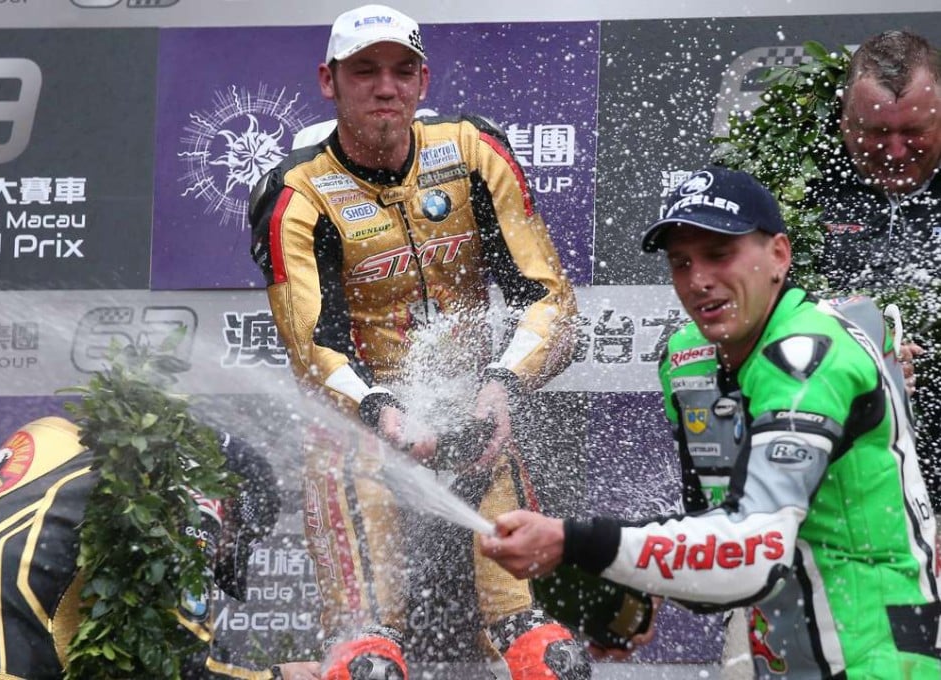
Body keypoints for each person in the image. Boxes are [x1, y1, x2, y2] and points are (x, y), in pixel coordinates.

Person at [481, 167, 941, 678]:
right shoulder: (687, 359)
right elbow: (719, 524)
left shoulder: (812, 356)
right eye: (681, 262)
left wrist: (577, 541)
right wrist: (644, 587)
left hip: (880, 655)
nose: (698, 280)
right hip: (785, 652)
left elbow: (755, 553)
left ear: (779, 256)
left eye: (720, 255)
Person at [248, 4, 585, 679]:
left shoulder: (470, 153)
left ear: (423, 81)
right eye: (364, 71)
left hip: (471, 404)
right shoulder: (298, 193)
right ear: (329, 81)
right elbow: (312, 347)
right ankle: (365, 633)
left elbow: (550, 300)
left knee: (547, 659)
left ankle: (517, 621)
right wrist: (382, 411)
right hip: (363, 423)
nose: (385, 88)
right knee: (368, 658)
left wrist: (502, 389)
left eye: (402, 71)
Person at [0, 416, 320, 680]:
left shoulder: (61, 444)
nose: (219, 557)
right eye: (234, 543)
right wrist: (278, 676)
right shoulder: (189, 489)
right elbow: (178, 661)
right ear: (229, 502)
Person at [815, 29, 941, 520]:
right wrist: (858, 358)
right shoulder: (791, 183)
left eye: (914, 133)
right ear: (844, 115)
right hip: (837, 481)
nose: (893, 150)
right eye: (873, 132)